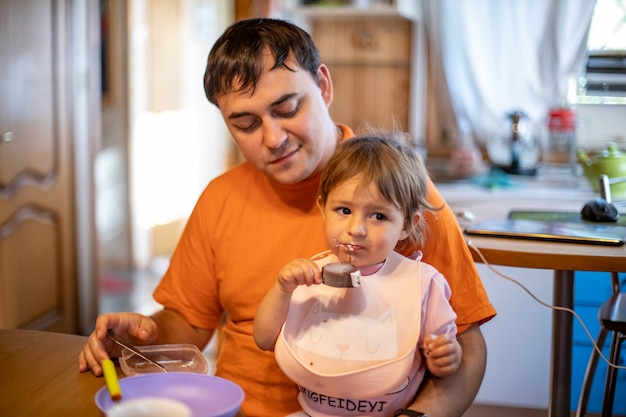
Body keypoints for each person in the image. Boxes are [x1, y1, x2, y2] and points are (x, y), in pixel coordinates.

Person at [79, 17, 496, 417]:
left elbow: (466, 342)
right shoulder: (221, 197)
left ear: (324, 85)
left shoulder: (397, 193)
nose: (273, 139)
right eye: (245, 124)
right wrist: (135, 339)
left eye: (287, 107)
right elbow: (188, 322)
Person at [254, 134, 462, 417]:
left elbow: (445, 356)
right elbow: (264, 339)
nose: (356, 229)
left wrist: (446, 357)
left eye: (378, 216)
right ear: (323, 210)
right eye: (344, 210)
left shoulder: (422, 283)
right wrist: (282, 289)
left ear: (406, 225)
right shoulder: (307, 276)